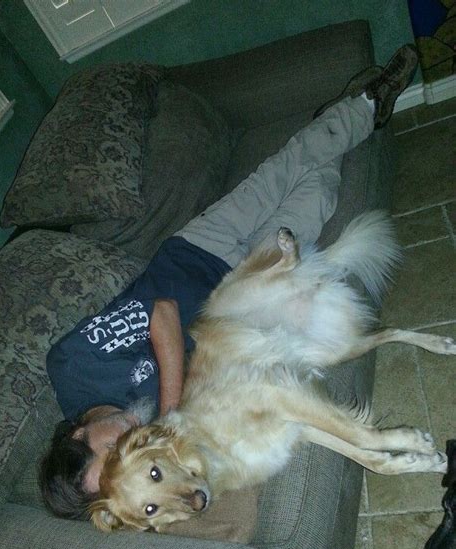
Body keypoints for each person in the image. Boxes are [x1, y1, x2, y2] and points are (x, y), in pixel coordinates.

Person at [39, 44, 419, 519]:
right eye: (120, 465)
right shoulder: (154, 457)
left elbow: (163, 314)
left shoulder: (72, 366)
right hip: (245, 303)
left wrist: (171, 414)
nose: (126, 447)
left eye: (108, 449)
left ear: (78, 433)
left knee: (281, 170)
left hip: (198, 253)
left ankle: (366, 102)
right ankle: (334, 124)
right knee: (318, 195)